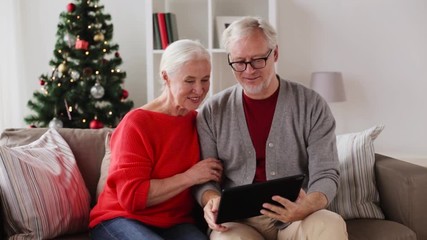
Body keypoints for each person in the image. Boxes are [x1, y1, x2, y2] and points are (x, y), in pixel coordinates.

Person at [194, 16, 348, 240]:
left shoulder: (311, 104)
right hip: (238, 222)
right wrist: (210, 201)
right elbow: (206, 181)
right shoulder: (212, 110)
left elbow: (326, 173)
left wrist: (306, 207)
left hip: (297, 216)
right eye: (239, 62)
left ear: (275, 54)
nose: (248, 70)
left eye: (258, 60)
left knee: (330, 224)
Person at [89, 39, 223, 240]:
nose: (199, 89)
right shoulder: (136, 124)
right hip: (121, 218)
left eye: (205, 79)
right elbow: (132, 197)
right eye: (189, 81)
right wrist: (191, 176)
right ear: (166, 77)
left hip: (175, 222)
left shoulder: (198, 121)